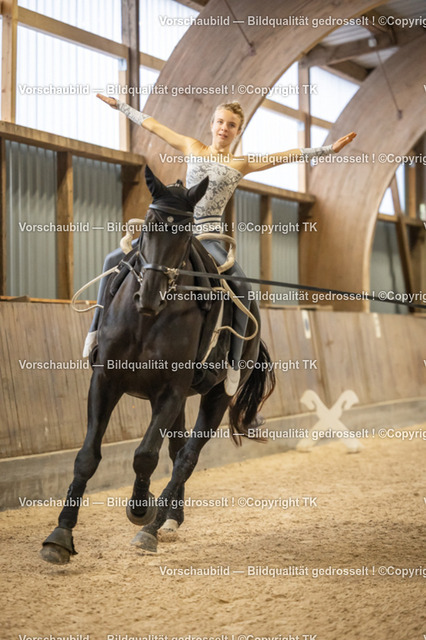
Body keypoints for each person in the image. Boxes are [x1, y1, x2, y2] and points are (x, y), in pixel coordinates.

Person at [83, 95, 356, 395]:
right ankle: (96, 330)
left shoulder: (241, 163)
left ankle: (235, 363)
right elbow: (154, 126)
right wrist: (120, 106)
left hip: (210, 238)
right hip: (180, 232)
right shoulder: (191, 146)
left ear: (238, 131)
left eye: (232, 125)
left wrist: (328, 149)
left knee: (242, 287)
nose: (225, 128)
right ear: (212, 124)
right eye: (221, 122)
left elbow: (285, 156)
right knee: (112, 259)